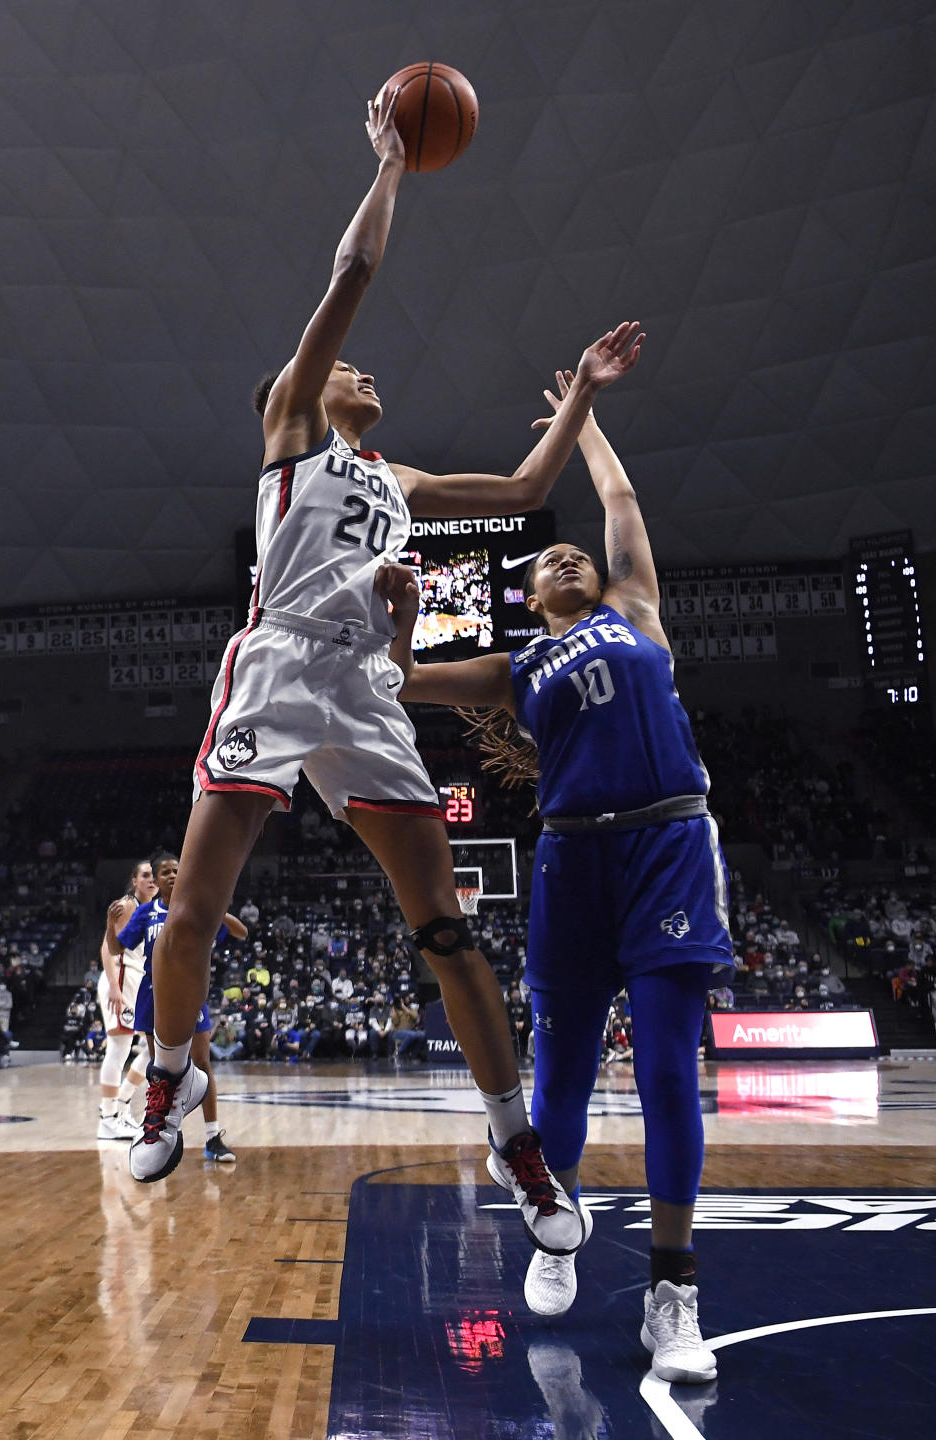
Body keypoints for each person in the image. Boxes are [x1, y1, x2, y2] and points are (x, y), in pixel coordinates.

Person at [136, 85, 639, 1262]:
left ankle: (520, 1148)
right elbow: (350, 279)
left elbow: (520, 493)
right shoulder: (292, 429)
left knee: (447, 931)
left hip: (364, 687)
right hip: (275, 668)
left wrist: (578, 401)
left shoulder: (398, 480)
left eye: (360, 372)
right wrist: (393, 166)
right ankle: (165, 1081)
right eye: (344, 370)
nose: (361, 374)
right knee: (196, 903)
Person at [381, 361, 733, 1385]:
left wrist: (581, 415)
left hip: (669, 844)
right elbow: (401, 682)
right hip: (574, 856)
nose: (572, 551)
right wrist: (400, 616)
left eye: (578, 551)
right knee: (566, 1074)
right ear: (531, 596)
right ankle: (557, 1231)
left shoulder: (640, 615)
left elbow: (618, 501)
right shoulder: (514, 667)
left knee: (669, 1069)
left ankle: (674, 1296)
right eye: (553, 558)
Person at [107, 853, 248, 1174]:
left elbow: (241, 933)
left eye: (177, 871)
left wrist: (215, 910)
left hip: (189, 993)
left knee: (202, 1063)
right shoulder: (146, 912)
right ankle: (164, 1131)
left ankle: (213, 1137)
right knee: (162, 1071)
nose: (172, 875)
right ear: (156, 880)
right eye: (166, 872)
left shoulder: (197, 911)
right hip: (151, 994)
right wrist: (108, 926)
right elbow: (119, 947)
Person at [96, 859, 158, 1141]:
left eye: (153, 875)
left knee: (153, 1046)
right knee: (119, 1048)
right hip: (120, 978)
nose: (151, 879)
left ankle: (121, 1104)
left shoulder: (153, 911)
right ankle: (108, 1118)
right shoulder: (127, 905)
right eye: (145, 875)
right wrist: (113, 986)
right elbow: (107, 948)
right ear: (135, 881)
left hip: (137, 982)